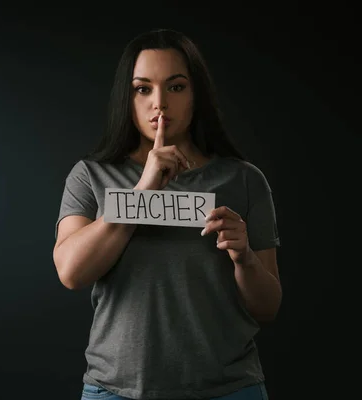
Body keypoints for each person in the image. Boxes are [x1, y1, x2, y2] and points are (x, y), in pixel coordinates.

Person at [52, 28, 282, 400]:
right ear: (126, 98)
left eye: (175, 87)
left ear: (196, 95)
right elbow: (71, 272)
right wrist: (143, 188)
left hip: (227, 389)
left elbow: (268, 308)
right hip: (116, 390)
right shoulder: (91, 175)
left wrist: (244, 258)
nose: (159, 103)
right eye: (143, 88)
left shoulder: (242, 179)